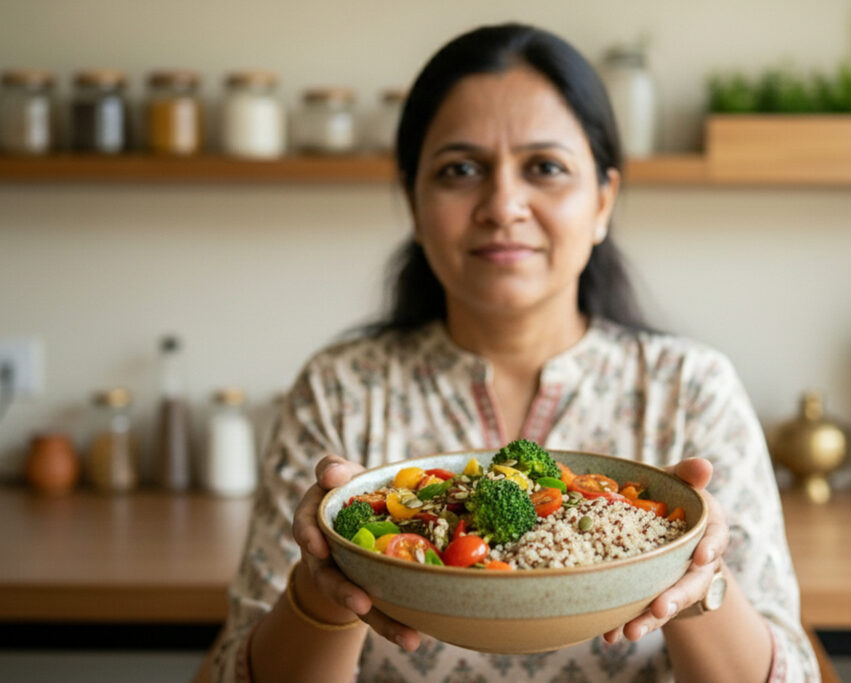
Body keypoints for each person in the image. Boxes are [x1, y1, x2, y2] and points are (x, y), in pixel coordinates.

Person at [196, 22, 819, 683]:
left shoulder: (690, 388)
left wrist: (695, 575)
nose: (502, 205)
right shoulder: (341, 388)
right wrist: (324, 585)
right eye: (460, 170)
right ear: (414, 200)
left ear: (603, 200)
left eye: (545, 168)